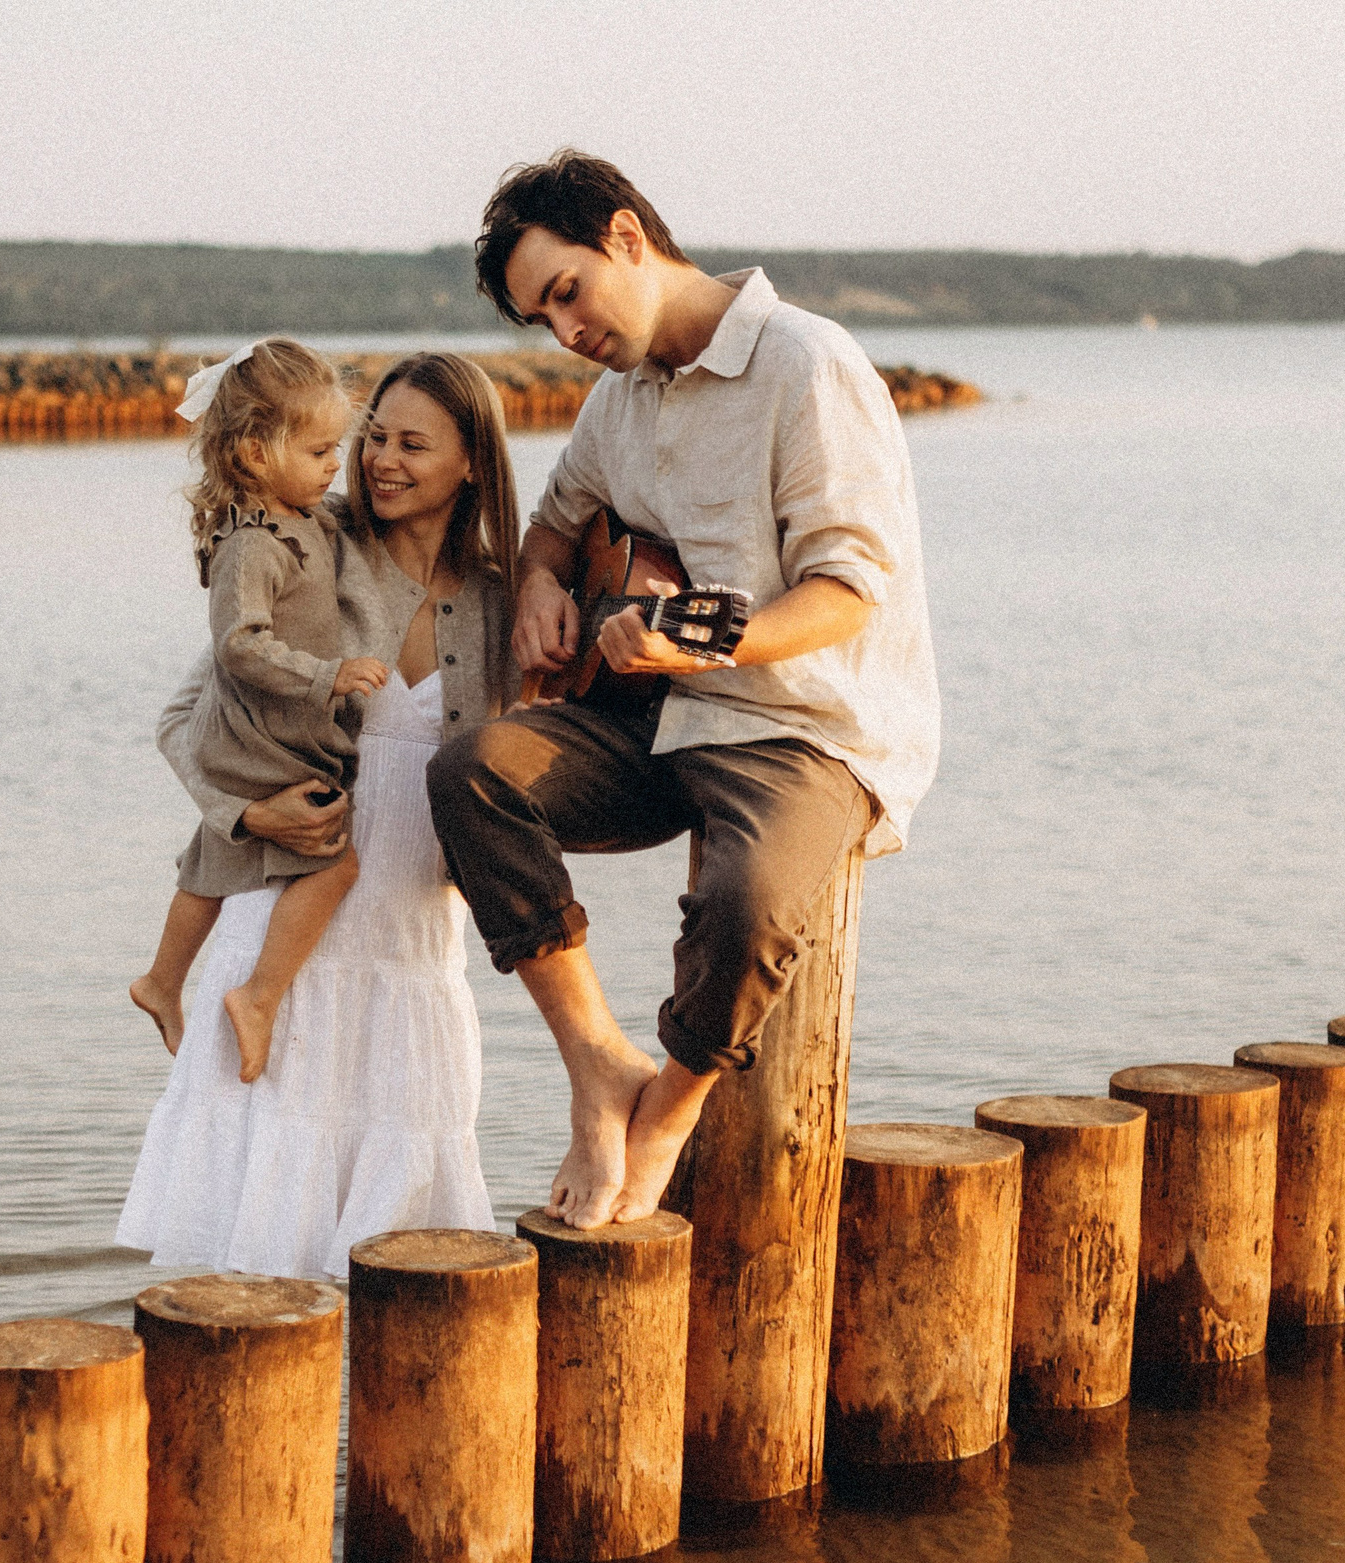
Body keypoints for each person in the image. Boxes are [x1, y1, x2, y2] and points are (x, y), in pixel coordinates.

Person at [428, 150, 941, 1229]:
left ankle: (667, 1109)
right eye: (541, 317)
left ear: (626, 235)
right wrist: (539, 586)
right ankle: (596, 1065)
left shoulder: (808, 364)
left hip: (806, 727)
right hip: (655, 722)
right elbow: (556, 521)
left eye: (566, 292)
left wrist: (700, 643)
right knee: (472, 772)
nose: (564, 331)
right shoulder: (618, 400)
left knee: (744, 905)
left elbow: (847, 592)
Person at [116, 352, 522, 1280]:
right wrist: (248, 813)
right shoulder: (308, 543)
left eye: (413, 443)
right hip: (284, 929)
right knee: (258, 1248)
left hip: (414, 951)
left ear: (472, 461)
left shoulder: (501, 599)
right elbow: (183, 719)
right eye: (374, 437)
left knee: (411, 1255)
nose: (380, 460)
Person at [127, 338, 388, 1082]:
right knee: (334, 867)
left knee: (213, 858)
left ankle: (162, 980)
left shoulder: (306, 516)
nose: (335, 464)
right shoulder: (251, 543)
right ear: (254, 453)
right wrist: (329, 675)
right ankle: (259, 995)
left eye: (336, 447)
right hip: (263, 734)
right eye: (318, 450)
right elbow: (239, 645)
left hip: (274, 731)